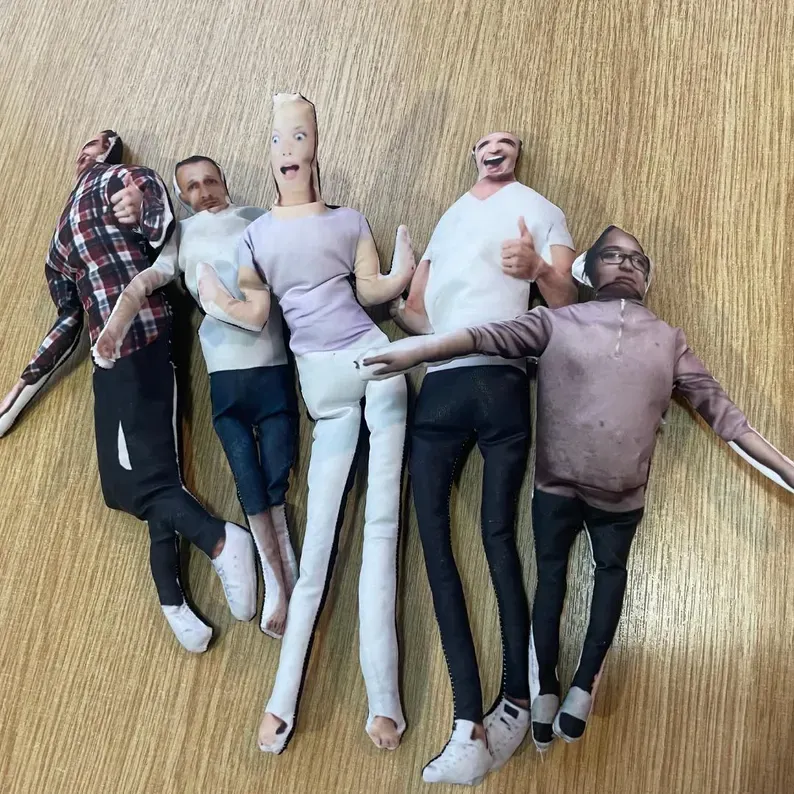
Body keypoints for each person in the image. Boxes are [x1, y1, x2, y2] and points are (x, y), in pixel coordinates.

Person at [359, 225, 794, 769]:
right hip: (556, 486)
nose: (628, 263)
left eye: (638, 259)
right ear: (588, 271)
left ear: (648, 276)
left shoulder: (670, 340)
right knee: (551, 581)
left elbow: (725, 416)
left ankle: (583, 687)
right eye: (614, 255)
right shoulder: (555, 322)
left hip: (621, 497)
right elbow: (485, 336)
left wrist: (785, 467)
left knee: (610, 578)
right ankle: (544, 691)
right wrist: (421, 348)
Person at [196, 94, 415, 753]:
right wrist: (217, 299)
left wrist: (404, 264)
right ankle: (281, 696)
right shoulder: (255, 235)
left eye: (298, 136)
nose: (288, 149)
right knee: (317, 543)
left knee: (382, 529)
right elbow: (257, 311)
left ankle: (385, 701)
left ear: (315, 146)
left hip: (376, 361)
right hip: (321, 381)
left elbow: (372, 290)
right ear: (268, 154)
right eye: (278, 139)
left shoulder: (349, 220)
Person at [0, 131, 257, 654]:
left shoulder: (125, 179)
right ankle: (178, 595)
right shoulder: (60, 240)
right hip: (104, 351)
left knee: (143, 479)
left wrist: (142, 209)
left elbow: (163, 228)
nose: (87, 148)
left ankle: (217, 542)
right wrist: (20, 388)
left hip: (144, 332)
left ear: (111, 151)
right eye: (85, 144)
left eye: (100, 143)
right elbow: (68, 319)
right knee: (128, 483)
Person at [384, 131, 576, 785]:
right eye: (485, 142)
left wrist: (538, 270)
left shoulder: (541, 209)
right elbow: (415, 311)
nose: (496, 149)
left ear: (517, 154)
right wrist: (402, 309)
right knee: (434, 542)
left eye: (507, 142)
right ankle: (469, 720)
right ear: (472, 154)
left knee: (498, 536)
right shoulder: (449, 219)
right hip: (441, 384)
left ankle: (517, 697)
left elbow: (566, 304)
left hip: (501, 379)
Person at [93, 154, 299, 639]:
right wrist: (114, 328)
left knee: (278, 473)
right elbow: (144, 283)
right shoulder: (180, 236)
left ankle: (288, 579)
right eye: (191, 186)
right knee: (246, 476)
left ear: (224, 181)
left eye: (209, 181)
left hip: (273, 366)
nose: (203, 191)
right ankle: (276, 579)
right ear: (181, 196)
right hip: (224, 374)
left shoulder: (257, 218)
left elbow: (295, 250)